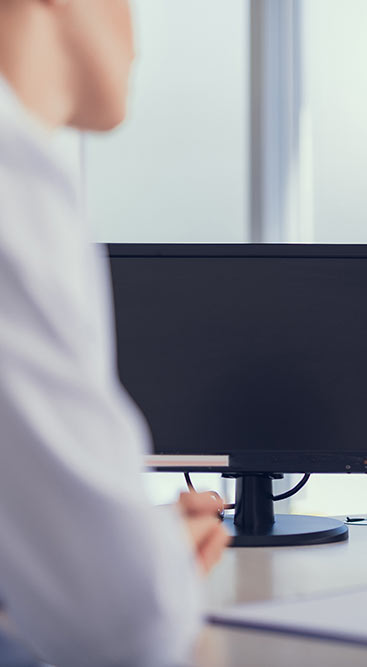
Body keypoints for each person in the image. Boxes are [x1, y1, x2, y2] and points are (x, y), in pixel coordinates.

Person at [0, 1, 229, 665]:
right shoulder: (14, 188)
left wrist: (112, 541)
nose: (138, 35)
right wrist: (148, 561)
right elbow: (127, 625)